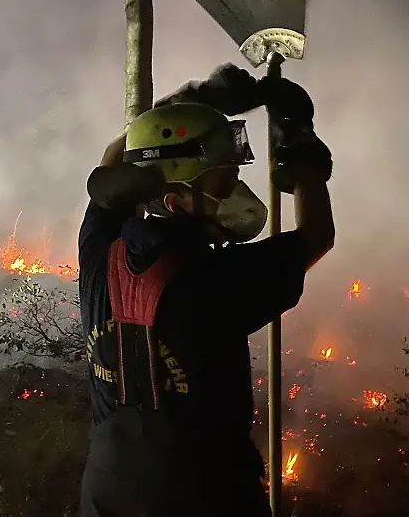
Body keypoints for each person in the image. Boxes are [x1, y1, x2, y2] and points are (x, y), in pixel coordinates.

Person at [77, 63, 336, 517]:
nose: (233, 184)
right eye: (220, 178)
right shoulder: (216, 282)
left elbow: (116, 158)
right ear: (176, 194)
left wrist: (185, 107)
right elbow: (317, 236)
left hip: (105, 497)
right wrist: (304, 158)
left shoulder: (99, 254)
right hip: (206, 498)